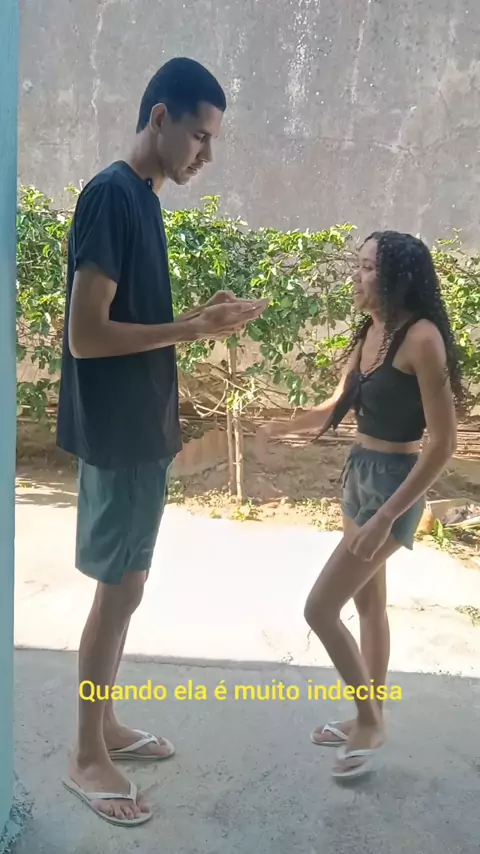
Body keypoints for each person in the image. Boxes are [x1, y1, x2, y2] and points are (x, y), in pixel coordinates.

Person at [56, 57, 268, 826]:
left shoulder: (143, 198)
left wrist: (199, 318)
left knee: (130, 588)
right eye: (200, 137)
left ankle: (106, 723)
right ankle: (86, 753)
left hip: (143, 430)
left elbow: (134, 318)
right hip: (119, 433)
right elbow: (86, 335)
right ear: (159, 118)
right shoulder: (111, 195)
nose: (205, 155)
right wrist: (190, 330)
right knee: (116, 593)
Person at [257, 230, 464, 780]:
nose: (357, 275)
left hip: (397, 483)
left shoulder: (421, 339)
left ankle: (370, 722)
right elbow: (337, 402)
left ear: (396, 277)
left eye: (368, 267)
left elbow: (443, 444)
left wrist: (387, 517)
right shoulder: (371, 332)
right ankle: (365, 714)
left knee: (319, 609)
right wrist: (282, 426)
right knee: (369, 605)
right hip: (360, 475)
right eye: (359, 264)